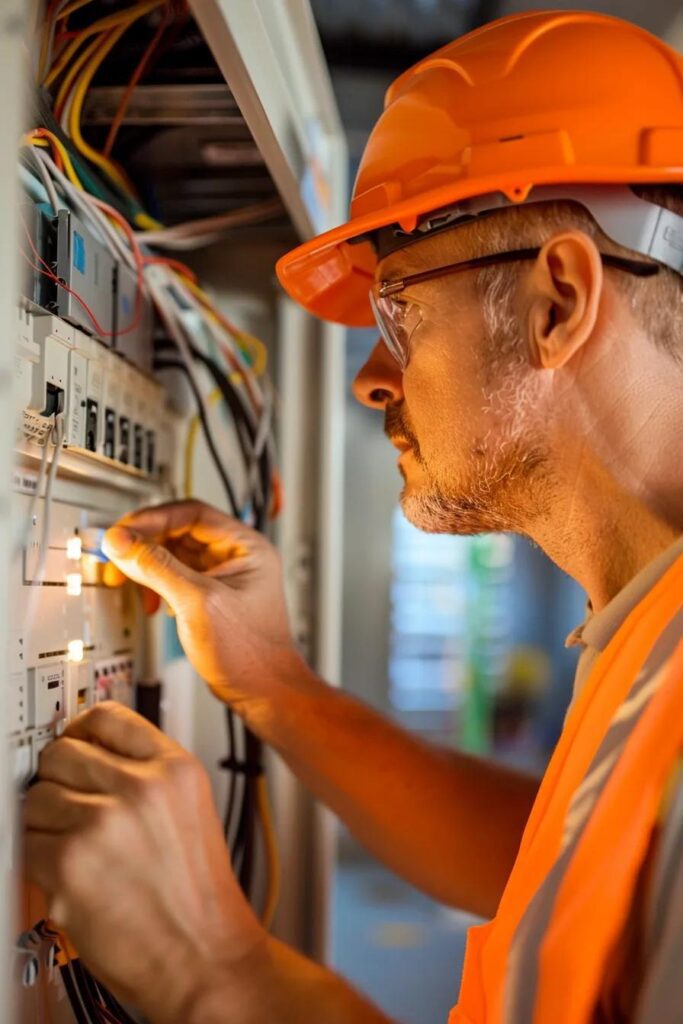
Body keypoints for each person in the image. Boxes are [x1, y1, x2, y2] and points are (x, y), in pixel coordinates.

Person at [24, 10, 683, 1024]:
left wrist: (209, 966)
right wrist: (278, 686)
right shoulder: (649, 630)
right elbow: (545, 857)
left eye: (397, 313)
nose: (372, 380)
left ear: (557, 300)